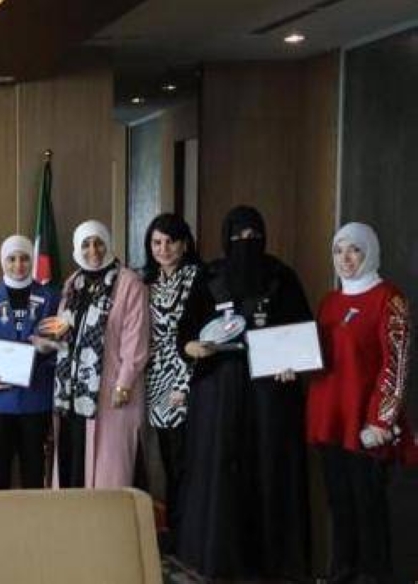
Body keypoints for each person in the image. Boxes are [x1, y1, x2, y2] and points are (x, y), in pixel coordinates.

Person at [175, 205, 311, 580]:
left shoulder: (281, 276)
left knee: (269, 467)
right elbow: (185, 332)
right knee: (220, 471)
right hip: (218, 391)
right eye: (238, 237)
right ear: (226, 239)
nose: (246, 243)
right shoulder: (210, 275)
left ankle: (274, 560)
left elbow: (302, 330)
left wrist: (293, 362)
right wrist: (192, 348)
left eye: (253, 236)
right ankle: (217, 556)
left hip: (270, 392)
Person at [307, 222, 414, 584]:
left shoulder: (389, 298)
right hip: (330, 420)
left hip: (366, 425)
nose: (345, 258)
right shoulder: (329, 301)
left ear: (369, 252)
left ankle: (373, 577)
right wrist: (290, 365)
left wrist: (381, 420)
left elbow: (396, 364)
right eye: (338, 251)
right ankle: (342, 574)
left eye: (354, 250)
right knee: (340, 505)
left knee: (369, 508)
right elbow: (318, 357)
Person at [38, 220, 149, 489]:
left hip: (112, 392)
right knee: (74, 459)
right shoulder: (73, 283)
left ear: (108, 244)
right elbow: (66, 330)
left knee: (111, 468)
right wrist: (48, 342)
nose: (93, 251)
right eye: (86, 244)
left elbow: (135, 340)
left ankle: (109, 517)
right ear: (77, 248)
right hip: (73, 394)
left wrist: (123, 385)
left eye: (99, 243)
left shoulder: (129, 283)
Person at [0, 235, 59, 489]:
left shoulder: (51, 297)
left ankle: (33, 517)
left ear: (32, 260)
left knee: (34, 471)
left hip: (35, 399)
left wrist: (48, 351)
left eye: (24, 258)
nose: (18, 265)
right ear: (2, 261)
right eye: (12, 259)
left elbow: (62, 346)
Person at [140, 213, 202, 549]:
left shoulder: (198, 278)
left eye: (170, 242)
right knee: (168, 458)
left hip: (188, 373)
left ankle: (189, 532)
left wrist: (185, 383)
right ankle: (175, 529)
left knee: (188, 459)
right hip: (156, 377)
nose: (163, 249)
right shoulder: (146, 282)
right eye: (156, 242)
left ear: (184, 244)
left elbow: (200, 332)